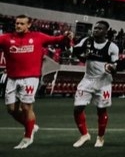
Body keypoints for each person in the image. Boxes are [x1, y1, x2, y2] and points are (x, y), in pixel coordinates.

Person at [0, 14, 73, 148]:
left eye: (22, 23)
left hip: (30, 77)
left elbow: (57, 39)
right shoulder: (5, 39)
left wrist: (66, 36)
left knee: (26, 107)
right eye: (17, 23)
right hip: (12, 78)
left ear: (29, 25)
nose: (18, 26)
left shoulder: (38, 37)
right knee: (11, 109)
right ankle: (31, 127)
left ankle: (27, 137)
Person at [71, 20, 119, 148]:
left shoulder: (112, 47)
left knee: (101, 110)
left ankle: (100, 137)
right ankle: (84, 135)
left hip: (104, 82)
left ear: (106, 31)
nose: (96, 30)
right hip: (87, 79)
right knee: (77, 108)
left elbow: (116, 67)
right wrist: (80, 54)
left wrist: (111, 68)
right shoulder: (87, 41)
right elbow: (76, 52)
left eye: (99, 28)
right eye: (95, 28)